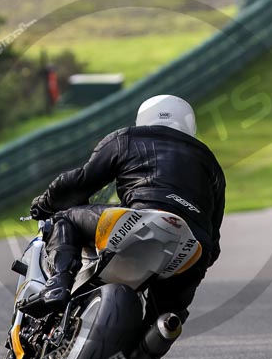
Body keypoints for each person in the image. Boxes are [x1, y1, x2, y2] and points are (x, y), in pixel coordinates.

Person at [24, 94, 226, 333]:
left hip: (140, 218)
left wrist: (45, 203)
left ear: (144, 119)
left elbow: (78, 183)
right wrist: (200, 262)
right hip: (193, 243)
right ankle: (153, 338)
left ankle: (59, 283)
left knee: (65, 217)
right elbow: (214, 236)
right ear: (189, 125)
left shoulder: (127, 138)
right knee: (165, 318)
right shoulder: (210, 163)